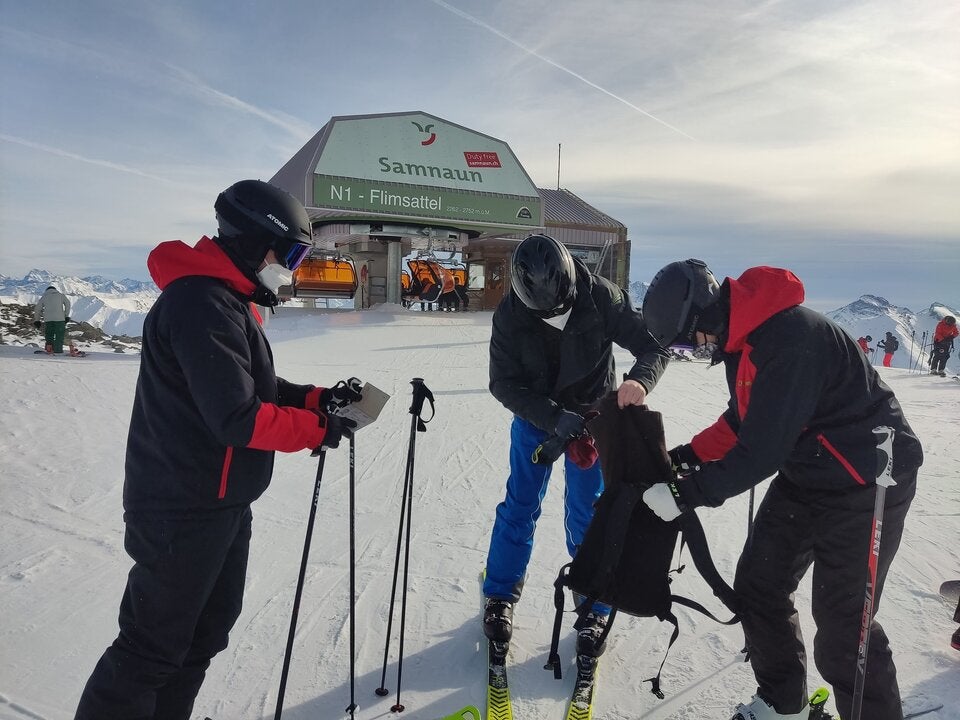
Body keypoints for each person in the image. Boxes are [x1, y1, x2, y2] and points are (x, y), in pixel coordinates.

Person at [74, 180, 361, 720]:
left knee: (203, 636)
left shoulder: (227, 302)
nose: (294, 268)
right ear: (257, 243)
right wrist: (313, 430)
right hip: (181, 509)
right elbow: (237, 418)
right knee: (150, 650)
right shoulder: (200, 304)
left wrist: (318, 400)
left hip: (221, 503)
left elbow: (249, 387)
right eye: (293, 254)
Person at [639, 260, 922, 720]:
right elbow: (744, 420)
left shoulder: (791, 340)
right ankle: (782, 704)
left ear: (704, 317)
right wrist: (685, 457)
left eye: (688, 341)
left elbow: (760, 452)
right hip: (809, 473)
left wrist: (684, 494)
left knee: (843, 625)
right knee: (759, 586)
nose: (694, 351)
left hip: (869, 480)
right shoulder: (742, 342)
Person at [482, 233, 670, 661]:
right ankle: (500, 594)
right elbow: (503, 383)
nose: (555, 315)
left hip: (594, 418)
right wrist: (551, 418)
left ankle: (595, 599)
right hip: (538, 420)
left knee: (590, 510)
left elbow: (652, 345)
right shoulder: (511, 315)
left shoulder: (602, 297)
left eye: (561, 306)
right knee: (521, 504)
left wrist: (639, 380)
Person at [33, 284, 71, 353]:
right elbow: (68, 304)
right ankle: (58, 350)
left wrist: (37, 320)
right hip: (60, 319)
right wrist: (66, 316)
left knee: (49, 334)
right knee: (59, 335)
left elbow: (37, 309)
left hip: (48, 320)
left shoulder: (44, 297)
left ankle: (49, 349)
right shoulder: (61, 295)